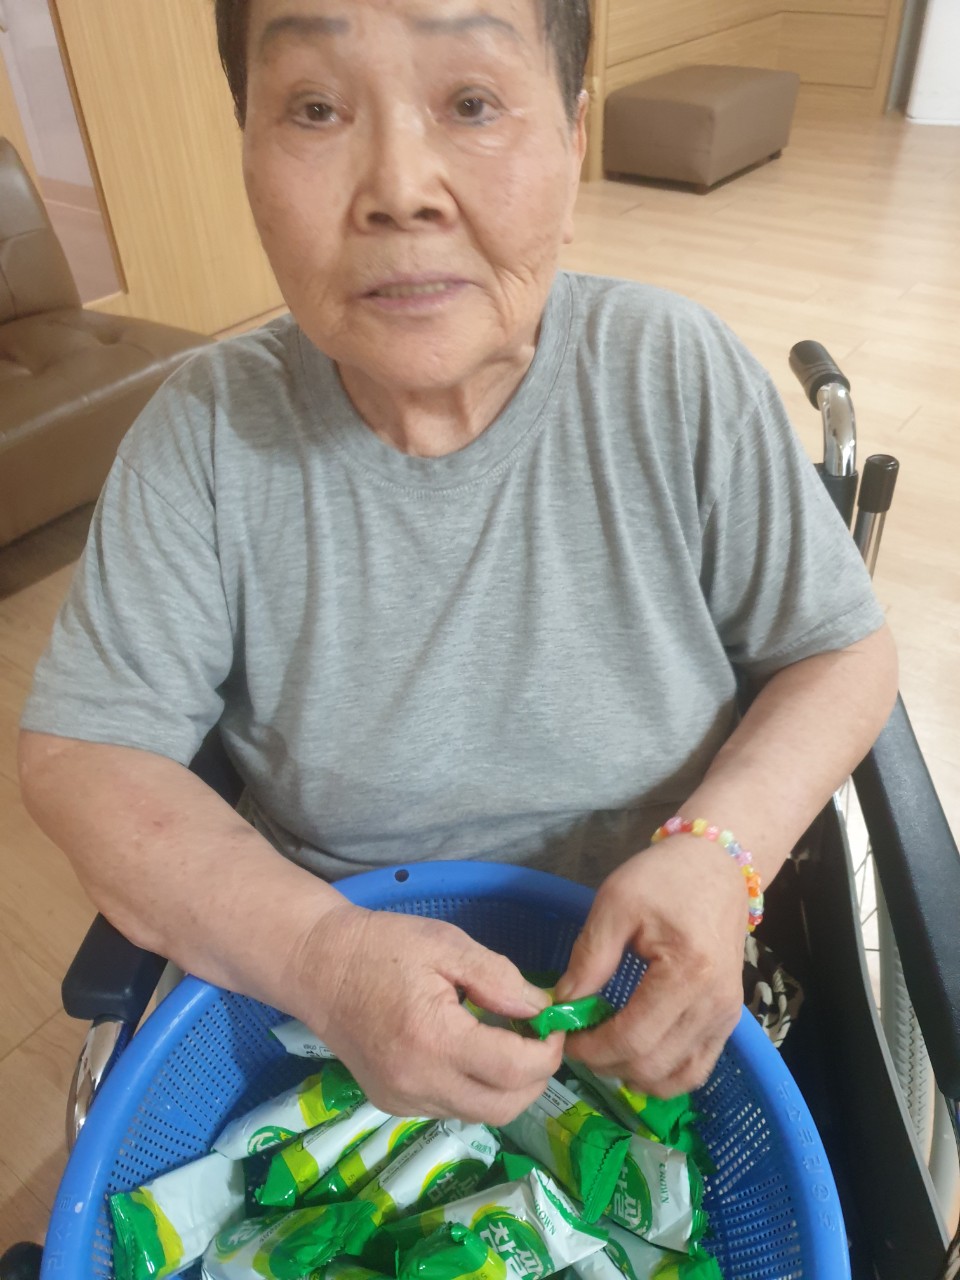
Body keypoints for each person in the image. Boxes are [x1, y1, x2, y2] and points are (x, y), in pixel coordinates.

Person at [18, 0, 897, 1126]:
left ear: (572, 137)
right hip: (330, 1014)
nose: (400, 189)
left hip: (657, 986)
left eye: (472, 103)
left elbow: (842, 649)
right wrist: (324, 953)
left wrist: (720, 852)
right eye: (315, 108)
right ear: (245, 150)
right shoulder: (205, 435)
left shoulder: (677, 376)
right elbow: (85, 756)